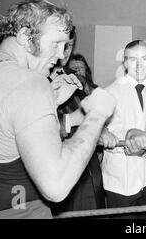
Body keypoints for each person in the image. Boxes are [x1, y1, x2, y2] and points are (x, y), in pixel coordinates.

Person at [0, 0, 115, 218]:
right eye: (56, 43)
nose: (62, 55)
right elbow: (56, 185)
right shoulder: (29, 83)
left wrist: (50, 104)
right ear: (25, 37)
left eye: (66, 46)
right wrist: (97, 115)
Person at [99, 40, 146, 218]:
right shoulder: (110, 92)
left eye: (143, 58)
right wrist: (111, 134)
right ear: (125, 62)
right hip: (120, 179)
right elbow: (99, 130)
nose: (139, 64)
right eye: (133, 59)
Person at [49, 28, 105, 215]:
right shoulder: (36, 78)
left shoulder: (78, 80)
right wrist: (69, 121)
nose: (64, 51)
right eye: (60, 44)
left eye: (69, 45)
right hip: (58, 167)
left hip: (88, 169)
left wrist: (101, 128)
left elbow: (93, 113)